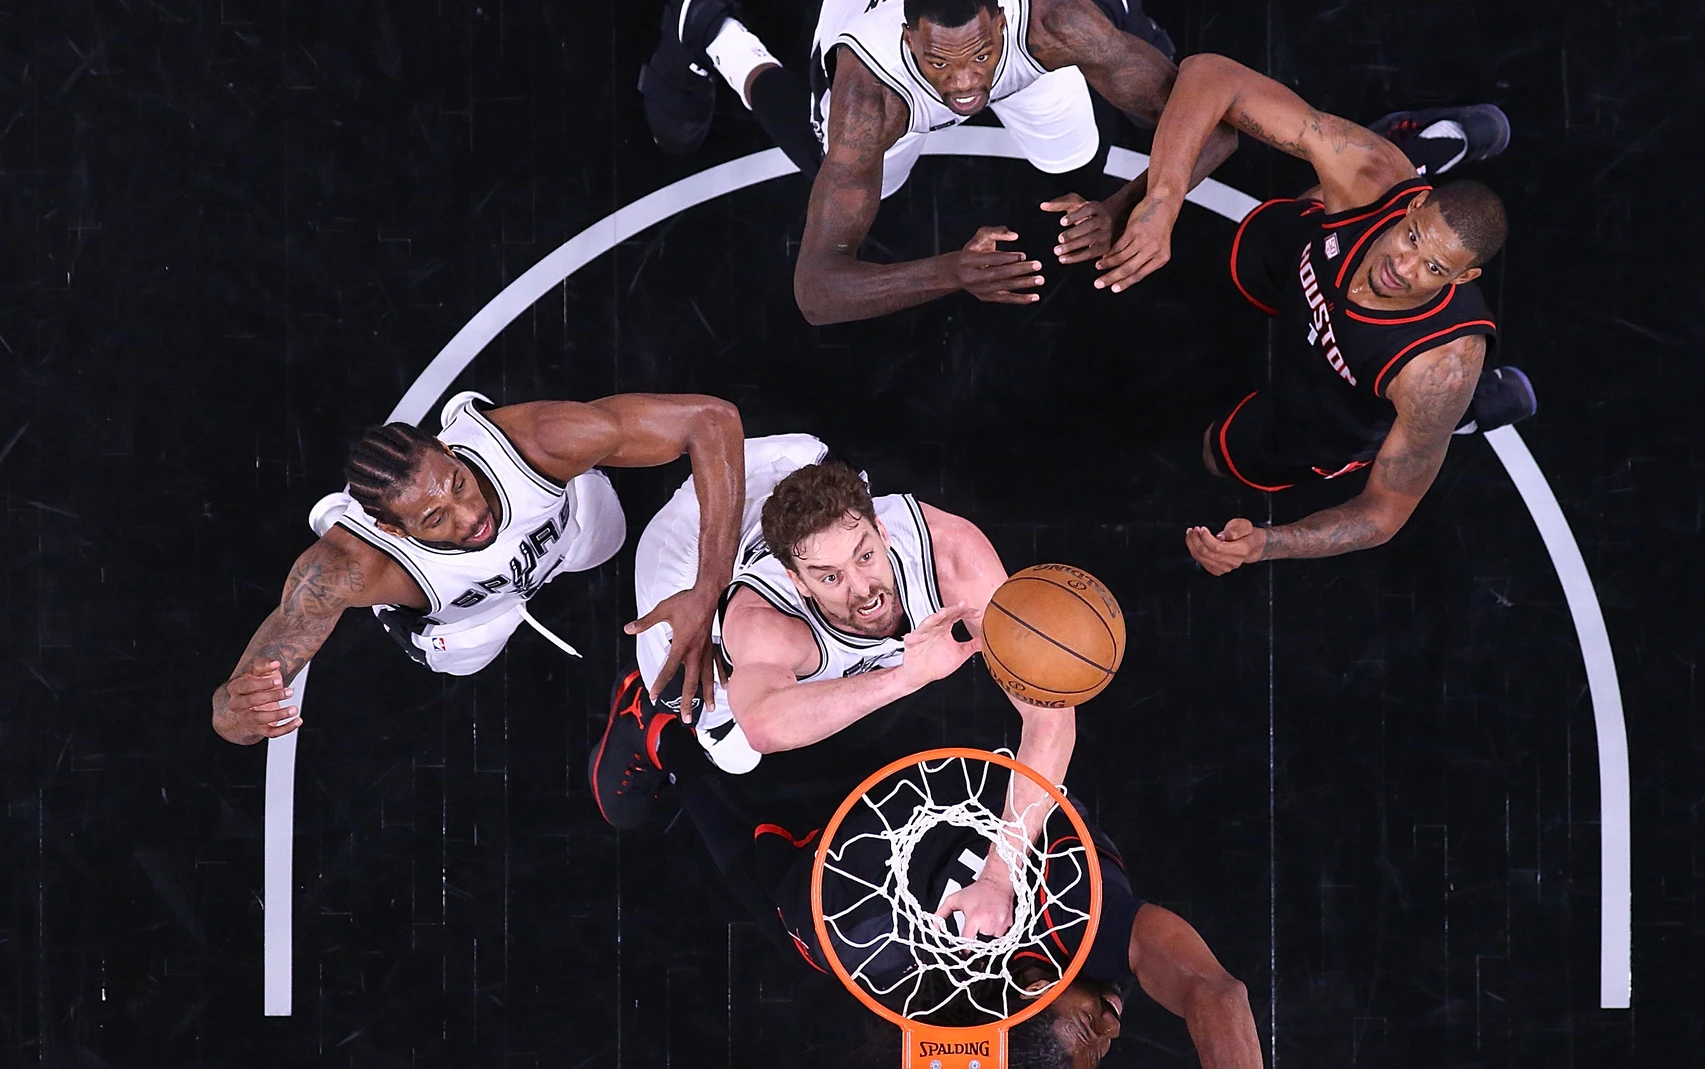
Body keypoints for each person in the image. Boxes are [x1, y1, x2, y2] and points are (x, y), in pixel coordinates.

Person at [1081, 53, 1536, 569]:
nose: (1402, 267)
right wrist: (1161, 201)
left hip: (1342, 399)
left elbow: (1385, 513)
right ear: (1412, 206)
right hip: (1306, 266)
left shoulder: (1437, 370)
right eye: (1411, 238)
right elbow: (1212, 74)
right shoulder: (1373, 176)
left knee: (1219, 454)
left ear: (1463, 279)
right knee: (1268, 234)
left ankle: (1464, 413)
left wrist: (1268, 544)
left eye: (1433, 269)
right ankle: (1417, 152)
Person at [590, 453, 1076, 924]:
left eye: (866, 555)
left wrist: (998, 876)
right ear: (797, 582)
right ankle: (640, 710)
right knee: (728, 742)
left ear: (882, 531)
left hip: (777, 470)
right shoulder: (765, 620)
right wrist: (905, 676)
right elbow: (762, 725)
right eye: (831, 577)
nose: (863, 588)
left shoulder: (953, 557)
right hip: (688, 546)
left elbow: (1048, 716)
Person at [650, 725, 1263, 1069]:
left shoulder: (991, 1030)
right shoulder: (1099, 928)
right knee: (811, 923)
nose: (1112, 1026)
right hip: (944, 797)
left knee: (814, 934)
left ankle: (670, 747)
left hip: (901, 852)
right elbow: (1219, 993)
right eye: (1045, 994)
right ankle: (686, 745)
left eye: (1018, 1004)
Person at [638, 0, 1239, 325]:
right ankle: (718, 35)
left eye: (979, 55)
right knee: (836, 154)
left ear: (1003, 20)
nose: (963, 85)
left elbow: (1219, 129)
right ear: (908, 37)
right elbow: (816, 291)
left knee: (1077, 155)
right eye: (940, 62)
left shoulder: (1058, 24)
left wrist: (1123, 208)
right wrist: (951, 271)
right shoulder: (869, 96)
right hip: (887, 77)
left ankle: (1123, 20)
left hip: (1033, 60)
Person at [209, 390, 743, 746]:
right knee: (466, 655)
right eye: (435, 516)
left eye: (458, 483)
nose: (471, 517)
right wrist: (241, 713)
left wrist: (709, 585)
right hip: (467, 619)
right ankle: (412, 602)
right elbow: (229, 713)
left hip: (565, 535)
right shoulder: (347, 568)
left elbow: (712, 420)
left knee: (607, 534)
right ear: (394, 530)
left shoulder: (535, 441)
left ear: (450, 450)